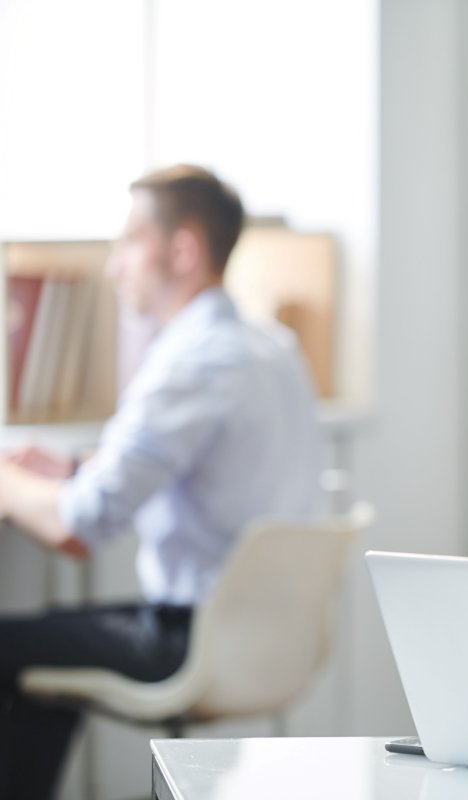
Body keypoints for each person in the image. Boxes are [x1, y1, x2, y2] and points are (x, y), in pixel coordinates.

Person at [0, 164, 323, 799]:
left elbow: (79, 527)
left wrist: (8, 484)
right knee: (42, 647)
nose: (115, 264)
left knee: (15, 646)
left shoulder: (193, 360)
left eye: (129, 241)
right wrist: (70, 467)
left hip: (190, 637)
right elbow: (199, 463)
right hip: (270, 634)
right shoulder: (272, 348)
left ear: (183, 249)